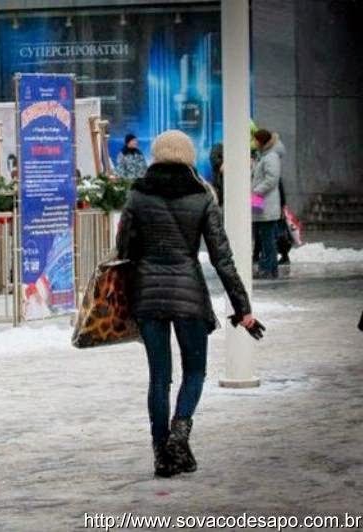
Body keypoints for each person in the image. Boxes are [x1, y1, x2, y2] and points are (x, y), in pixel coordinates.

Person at [116, 130, 258, 478]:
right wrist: (242, 308)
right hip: (189, 296)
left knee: (159, 377)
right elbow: (222, 258)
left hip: (148, 296)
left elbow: (123, 250)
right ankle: (179, 435)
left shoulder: (137, 195)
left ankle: (161, 452)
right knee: (195, 371)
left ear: (156, 155)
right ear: (189, 157)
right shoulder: (203, 196)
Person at [251, 129, 282, 279]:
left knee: (267, 238)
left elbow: (272, 179)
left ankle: (268, 268)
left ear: (261, 141)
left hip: (266, 202)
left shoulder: (270, 157)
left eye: (255, 140)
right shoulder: (263, 156)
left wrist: (256, 191)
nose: (253, 142)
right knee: (263, 236)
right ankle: (269, 268)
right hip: (259, 201)